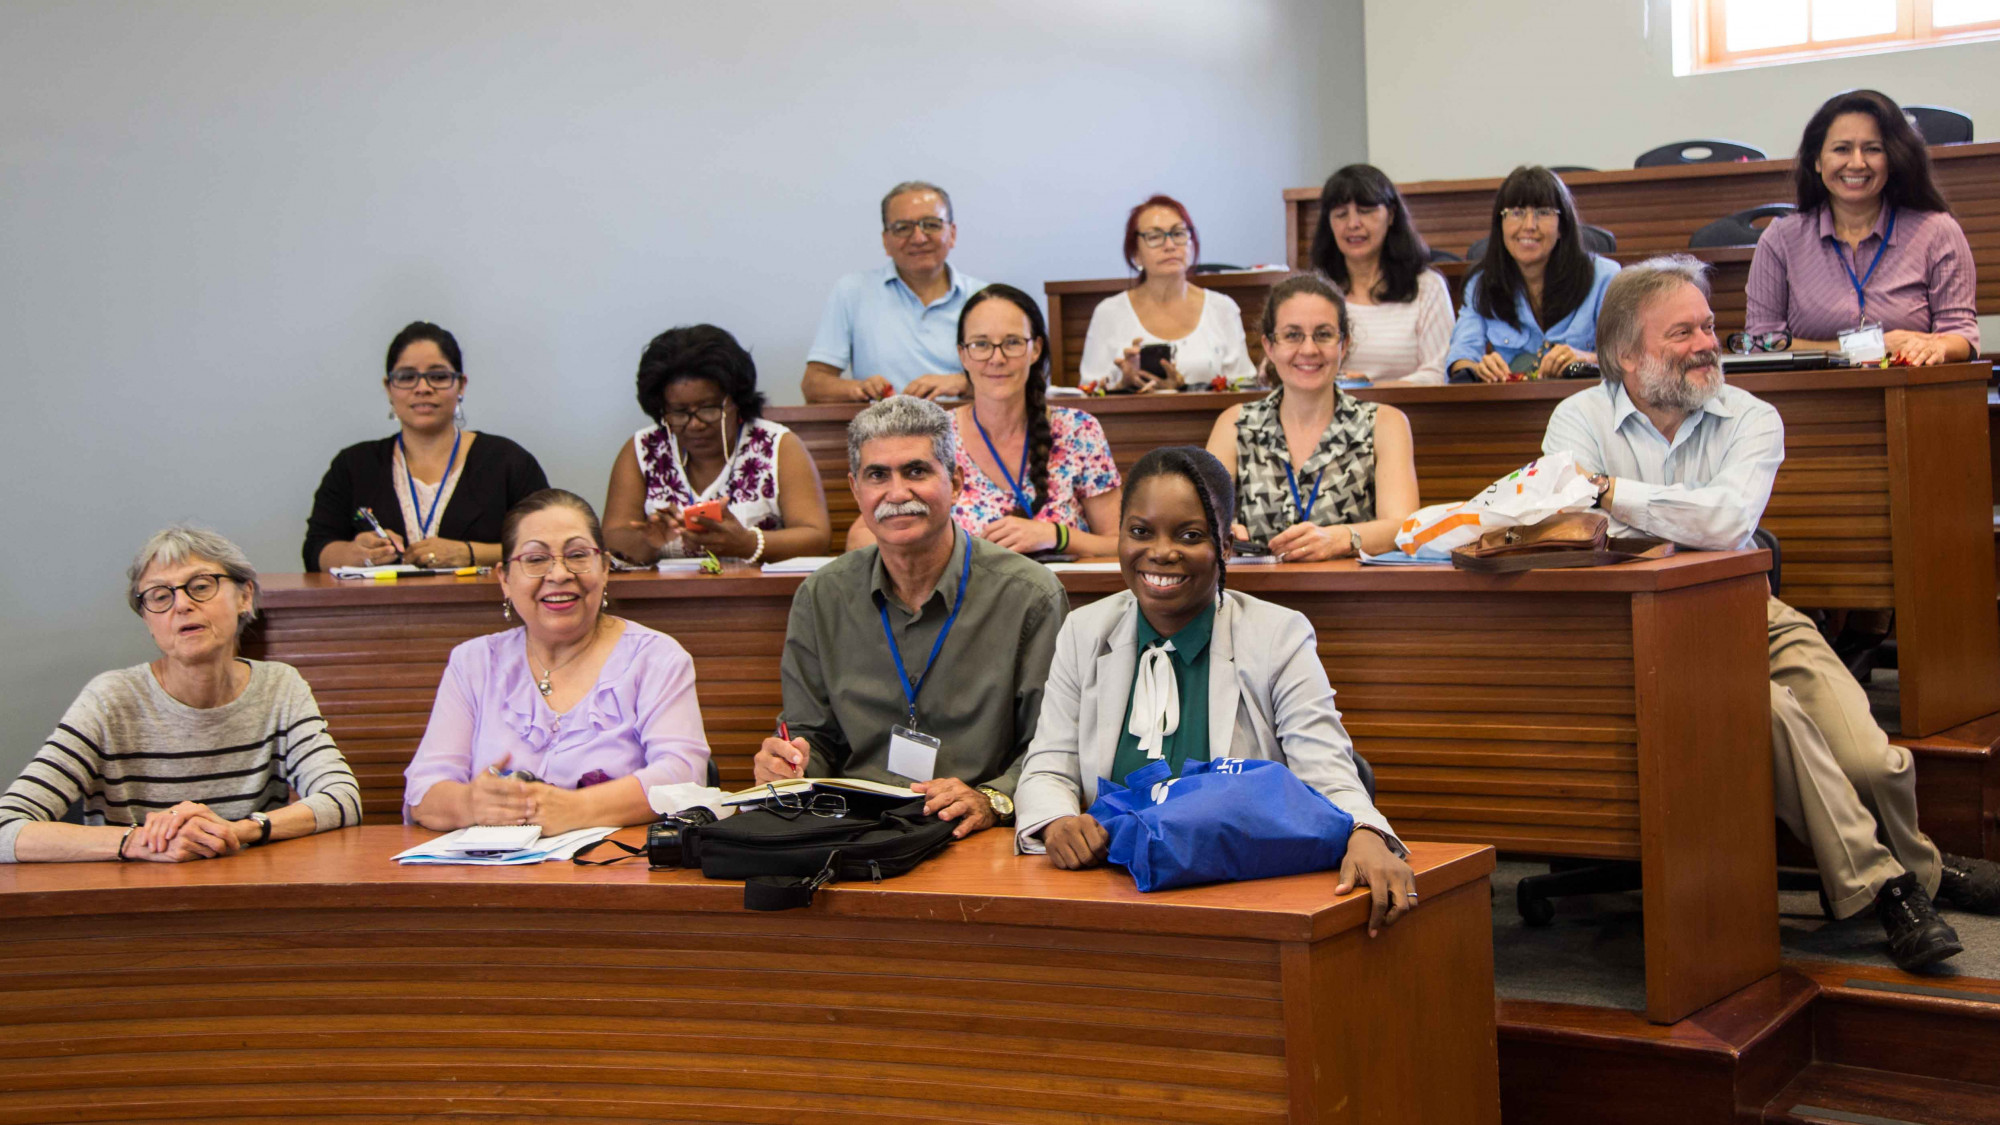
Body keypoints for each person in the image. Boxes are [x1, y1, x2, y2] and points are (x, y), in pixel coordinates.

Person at [1543, 254, 2000, 972]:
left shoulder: (1752, 415)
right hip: (1638, 632)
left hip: (1750, 609)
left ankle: (1926, 870)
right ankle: (1889, 890)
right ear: (1627, 355)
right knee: (1774, 714)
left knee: (1871, 760)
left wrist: (1614, 494)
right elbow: (1569, 515)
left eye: (1709, 326)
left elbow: (1727, 521)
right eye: (1682, 332)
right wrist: (1621, 506)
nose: (1706, 344)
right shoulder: (1577, 417)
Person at [1014, 447, 1418, 934]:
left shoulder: (1277, 635)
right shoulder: (1085, 631)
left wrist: (1366, 832)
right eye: (1140, 532)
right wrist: (1056, 822)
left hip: (1235, 892)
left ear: (1225, 546)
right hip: (1106, 890)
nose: (1161, 552)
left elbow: (1326, 771)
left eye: (1190, 535)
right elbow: (1047, 765)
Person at [754, 396, 1069, 838]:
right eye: (877, 475)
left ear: (955, 483)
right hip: (855, 831)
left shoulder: (1029, 596)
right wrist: (789, 764)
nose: (898, 493)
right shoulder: (821, 596)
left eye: (916, 471)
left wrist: (992, 798)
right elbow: (812, 736)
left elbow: (1052, 745)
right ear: (856, 490)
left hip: (975, 831)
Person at [0, 527, 361, 863]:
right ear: (147, 621)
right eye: (160, 596)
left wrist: (235, 831)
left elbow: (342, 797)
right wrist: (140, 841)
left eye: (201, 586)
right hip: (130, 900)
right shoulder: (110, 700)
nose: (182, 605)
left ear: (245, 596)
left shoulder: (280, 686)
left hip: (245, 894)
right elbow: (6, 827)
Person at [404, 490, 711, 834]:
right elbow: (423, 792)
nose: (559, 573)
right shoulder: (472, 663)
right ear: (504, 579)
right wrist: (471, 805)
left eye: (577, 555)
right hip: (490, 865)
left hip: (616, 863)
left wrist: (576, 809)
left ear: (605, 568)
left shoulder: (656, 657)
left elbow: (684, 775)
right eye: (536, 559)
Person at [846, 284, 1122, 557]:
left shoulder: (1079, 430)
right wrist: (953, 550)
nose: (997, 358)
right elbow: (860, 539)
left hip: (1064, 586)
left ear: (1036, 349)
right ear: (962, 354)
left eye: (1012, 342)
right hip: (964, 586)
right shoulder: (934, 434)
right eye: (981, 344)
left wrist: (1056, 536)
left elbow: (1121, 543)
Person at [1745, 88, 1978, 366]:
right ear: (1817, 160)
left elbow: (1961, 335)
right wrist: (1864, 348)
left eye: (1872, 149)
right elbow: (1760, 343)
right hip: (1814, 390)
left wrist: (1936, 348)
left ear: (1892, 158)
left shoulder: (1936, 231)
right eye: (1841, 149)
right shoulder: (1781, 239)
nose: (1857, 163)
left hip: (1908, 385)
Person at [1205, 273, 1421, 559]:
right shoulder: (1234, 424)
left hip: (1352, 586)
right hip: (1256, 586)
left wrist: (1342, 538)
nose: (1309, 349)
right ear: (1269, 346)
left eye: (1323, 334)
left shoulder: (1384, 423)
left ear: (1344, 344)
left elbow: (1403, 527)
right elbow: (1201, 518)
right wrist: (1222, 531)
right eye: (1292, 335)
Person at [304, 321, 549, 571]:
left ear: (461, 385)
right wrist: (355, 554)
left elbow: (550, 546)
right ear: (389, 388)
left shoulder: (509, 462)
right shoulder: (353, 465)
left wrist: (470, 553)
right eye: (407, 377)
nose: (423, 388)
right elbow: (315, 550)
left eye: (438, 377)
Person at [603, 325, 831, 565]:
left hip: (758, 588)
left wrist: (748, 544)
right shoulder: (643, 450)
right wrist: (648, 542)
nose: (695, 424)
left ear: (736, 401)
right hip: (667, 588)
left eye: (708, 409)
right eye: (679, 412)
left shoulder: (777, 446)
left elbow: (817, 538)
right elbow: (613, 538)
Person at [801, 181, 987, 403]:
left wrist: (963, 383)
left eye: (931, 225)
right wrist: (858, 388)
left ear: (952, 233)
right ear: (886, 241)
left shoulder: (985, 298)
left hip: (966, 422)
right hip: (882, 422)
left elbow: (1018, 381)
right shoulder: (853, 292)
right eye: (903, 228)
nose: (919, 238)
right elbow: (813, 385)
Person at [1447, 166, 1621, 383]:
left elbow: (1628, 358)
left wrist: (1587, 359)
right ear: (1500, 225)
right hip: (1512, 401)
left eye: (1543, 212)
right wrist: (1478, 369)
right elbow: (1460, 358)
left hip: (1584, 399)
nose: (1529, 226)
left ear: (1562, 226)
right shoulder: (1481, 283)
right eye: (1516, 213)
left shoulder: (1604, 277)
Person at [1078, 194, 1257, 391]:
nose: (1170, 246)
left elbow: (1244, 387)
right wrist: (1123, 386)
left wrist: (1183, 389)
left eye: (1178, 233)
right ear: (1135, 254)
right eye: (1154, 237)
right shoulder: (1109, 313)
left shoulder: (1222, 308)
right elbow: (1088, 394)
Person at [1309, 164, 1454, 385]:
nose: (1353, 224)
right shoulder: (1312, 290)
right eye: (1341, 214)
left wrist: (1367, 390)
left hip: (1406, 406)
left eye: (1365, 211)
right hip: (1326, 406)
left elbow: (1440, 372)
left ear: (1391, 215)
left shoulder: (1427, 286)